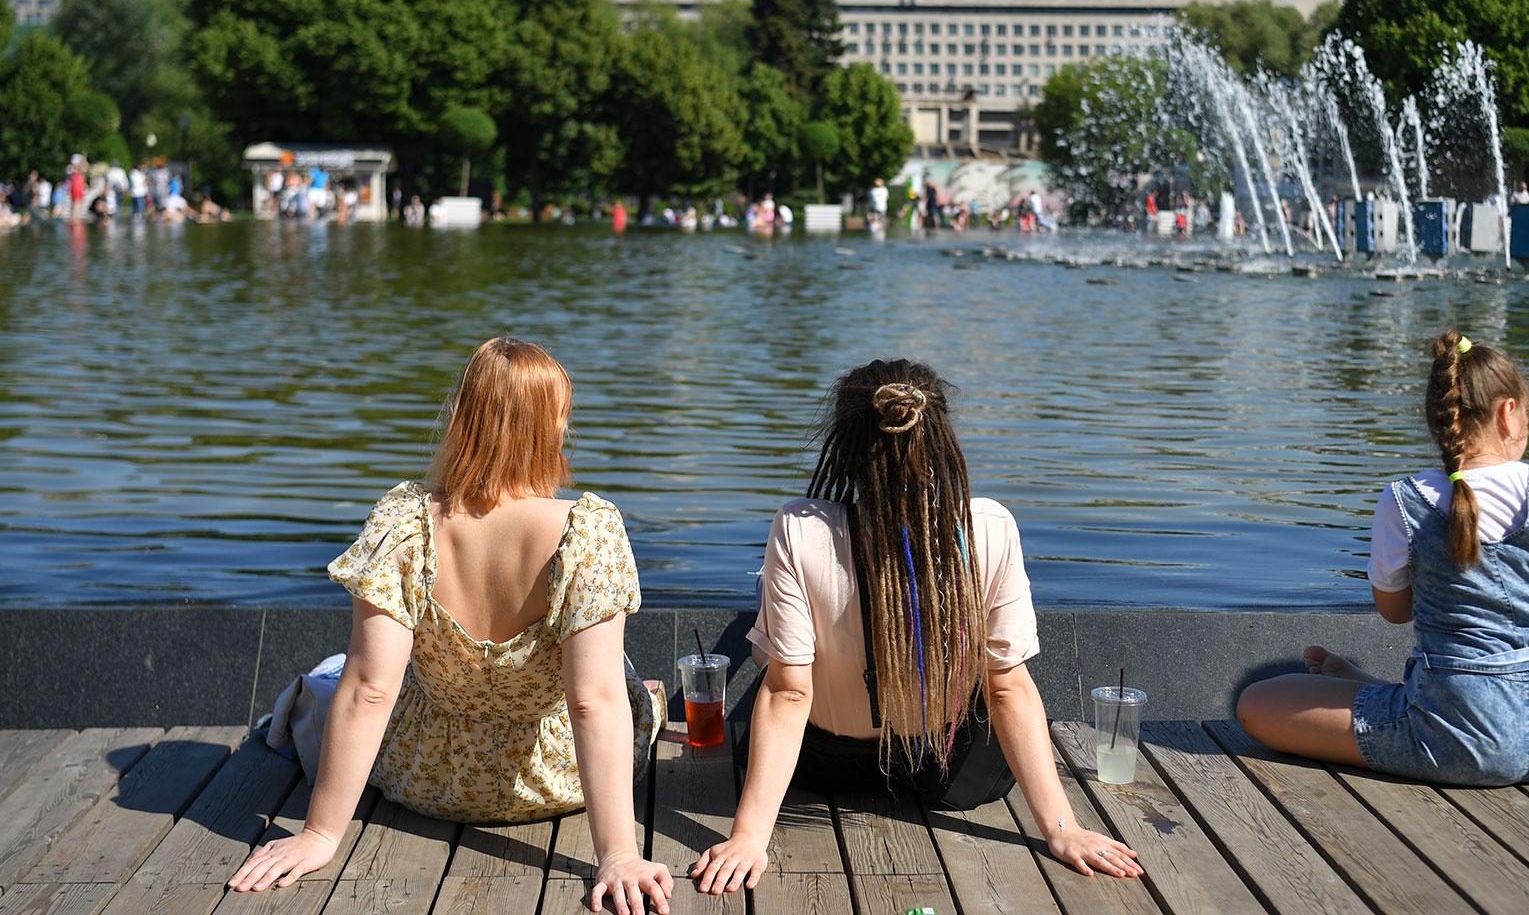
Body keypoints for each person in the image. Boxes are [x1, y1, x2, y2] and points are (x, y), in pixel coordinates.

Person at [228, 338, 669, 912]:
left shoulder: (406, 520)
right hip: (554, 783)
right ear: (548, 427)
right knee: (615, 673)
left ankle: (289, 709)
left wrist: (319, 835)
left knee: (340, 674)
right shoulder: (587, 531)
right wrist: (617, 855)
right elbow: (593, 702)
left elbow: (371, 689)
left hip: (425, 777)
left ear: (464, 418)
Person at [692, 360, 1143, 896]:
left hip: (821, 770)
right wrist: (1062, 831)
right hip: (949, 776)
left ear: (845, 444)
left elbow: (790, 693)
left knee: (774, 680)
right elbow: (1008, 688)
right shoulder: (989, 526)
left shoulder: (799, 527)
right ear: (941, 439)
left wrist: (748, 839)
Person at [1236, 333, 1529, 786]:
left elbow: (1396, 612)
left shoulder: (1404, 500)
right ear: (1508, 412)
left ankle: (1384, 697)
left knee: (1255, 702)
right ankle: (1380, 691)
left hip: (1453, 743)